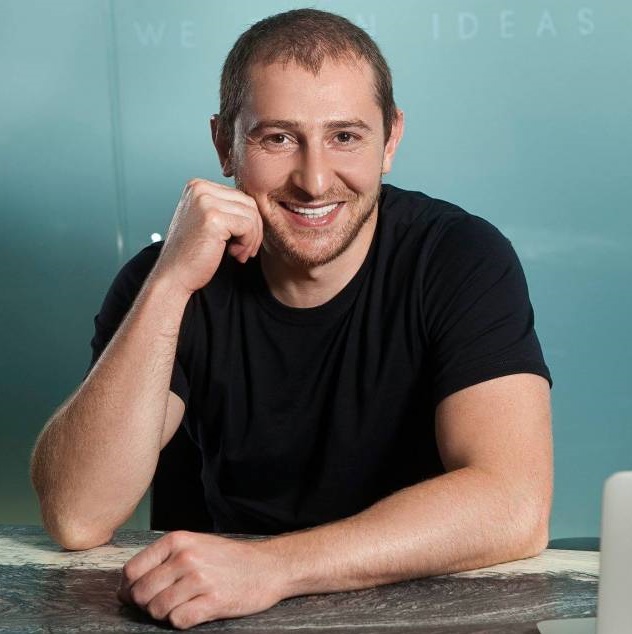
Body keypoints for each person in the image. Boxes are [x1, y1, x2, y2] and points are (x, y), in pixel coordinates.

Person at [30, 8, 553, 630]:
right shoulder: (166, 278)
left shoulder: (459, 256)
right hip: (238, 616)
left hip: (435, 612)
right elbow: (77, 515)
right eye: (278, 138)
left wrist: (274, 569)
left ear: (390, 139)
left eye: (345, 136)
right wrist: (169, 284)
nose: (314, 180)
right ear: (224, 144)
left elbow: (512, 503)